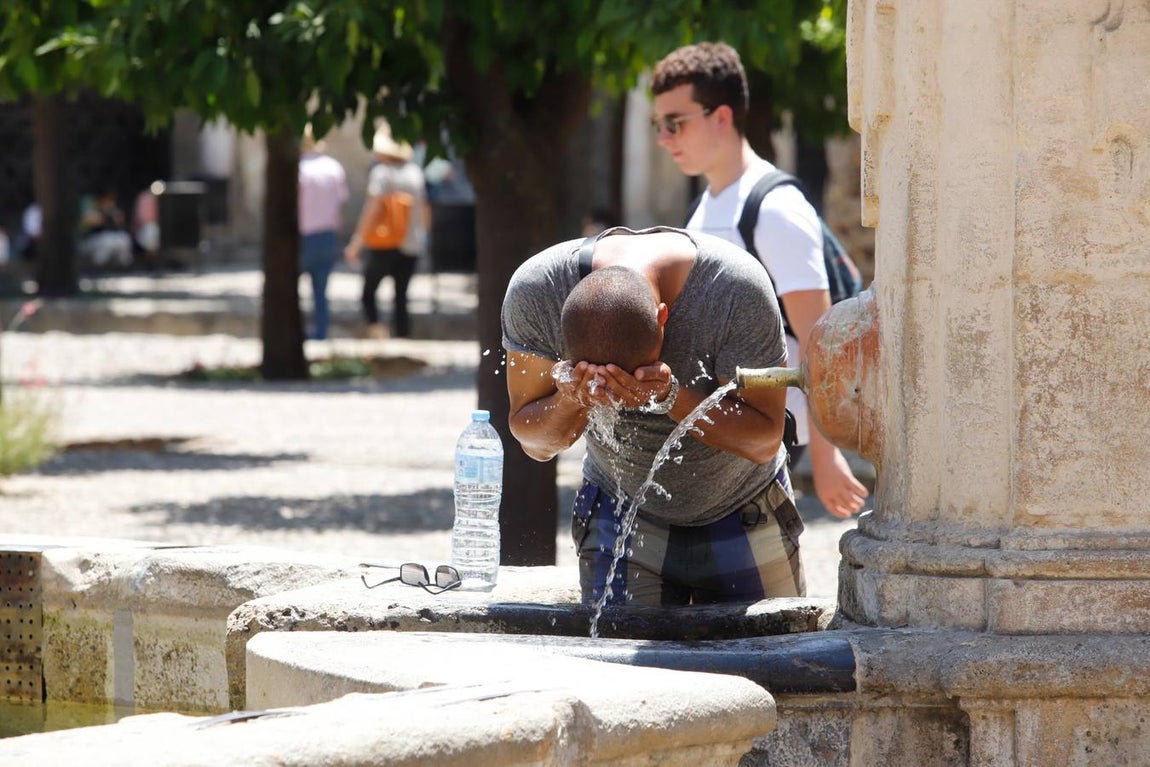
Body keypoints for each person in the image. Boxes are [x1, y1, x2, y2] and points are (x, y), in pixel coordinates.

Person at [502, 225, 805, 607]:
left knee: (773, 657)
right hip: (621, 508)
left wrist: (670, 396)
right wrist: (572, 399)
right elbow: (534, 444)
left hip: (743, 506)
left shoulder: (735, 290)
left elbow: (763, 439)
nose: (618, 398)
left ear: (664, 318)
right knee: (617, 661)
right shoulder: (538, 291)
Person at [650, 41, 869, 520]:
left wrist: (826, 457)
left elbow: (819, 338)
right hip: (721, 436)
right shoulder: (705, 209)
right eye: (658, 125)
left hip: (771, 444)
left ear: (721, 116)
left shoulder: (774, 208)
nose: (665, 138)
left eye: (675, 122)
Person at [344, 122, 429, 339]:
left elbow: (371, 211)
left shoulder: (381, 173)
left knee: (368, 292)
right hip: (411, 244)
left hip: (384, 243)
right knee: (401, 296)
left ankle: (378, 334)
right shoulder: (415, 173)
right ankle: (403, 336)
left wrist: (357, 242)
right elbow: (425, 211)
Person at [298, 125, 349, 340]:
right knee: (321, 291)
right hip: (328, 236)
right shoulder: (334, 168)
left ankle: (297, 332)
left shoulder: (299, 170)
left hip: (303, 236)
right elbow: (341, 204)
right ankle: (321, 331)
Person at [78, 190, 133, 269]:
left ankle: (123, 269)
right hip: (86, 240)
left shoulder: (111, 207)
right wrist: (101, 216)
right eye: (106, 199)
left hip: (106, 238)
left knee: (124, 238)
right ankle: (99, 269)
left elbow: (119, 222)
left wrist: (115, 217)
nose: (109, 201)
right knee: (106, 241)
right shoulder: (88, 202)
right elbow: (90, 222)